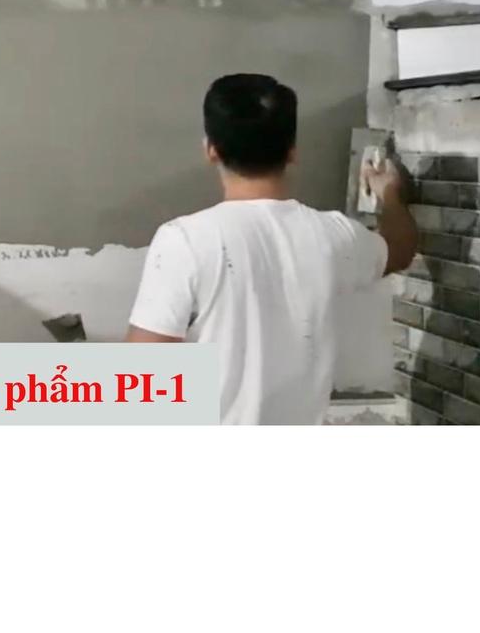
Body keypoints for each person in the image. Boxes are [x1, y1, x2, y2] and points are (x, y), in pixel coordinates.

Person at [125, 73, 416, 424]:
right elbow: (401, 248)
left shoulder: (184, 240)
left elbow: (140, 377)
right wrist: (389, 192)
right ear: (292, 152)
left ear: (210, 149)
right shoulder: (335, 235)